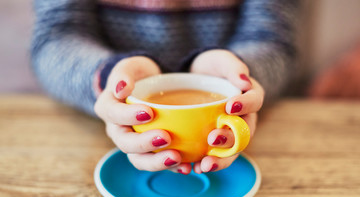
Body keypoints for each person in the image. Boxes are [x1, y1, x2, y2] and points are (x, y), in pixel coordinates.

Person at [31, 0, 299, 174]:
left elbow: (273, 40)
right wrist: (108, 77)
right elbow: (56, 36)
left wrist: (241, 75)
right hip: (88, 142)